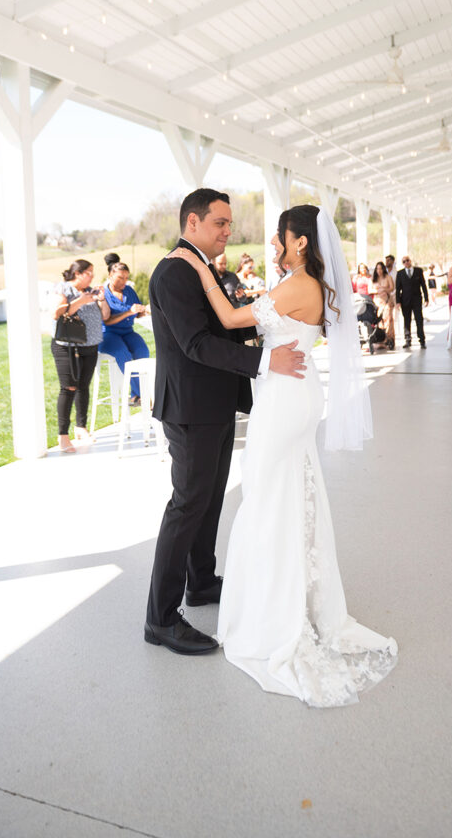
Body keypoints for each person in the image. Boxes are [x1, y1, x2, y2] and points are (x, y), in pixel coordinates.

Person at [166, 204, 397, 707]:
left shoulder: (298, 284)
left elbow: (231, 318)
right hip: (295, 390)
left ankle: (271, 611)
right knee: (287, 490)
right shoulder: (306, 283)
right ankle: (288, 591)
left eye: (279, 236)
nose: (273, 243)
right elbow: (261, 326)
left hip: (285, 397)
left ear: (300, 241)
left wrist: (202, 271)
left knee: (266, 495)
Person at [144, 189, 305, 657]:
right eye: (220, 223)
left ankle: (200, 582)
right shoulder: (175, 270)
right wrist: (264, 362)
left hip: (212, 404)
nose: (228, 231)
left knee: (210, 499)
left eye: (230, 223)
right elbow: (196, 343)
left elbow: (223, 325)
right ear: (192, 222)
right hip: (190, 409)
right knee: (187, 505)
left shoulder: (200, 266)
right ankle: (160, 618)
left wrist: (271, 320)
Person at [51, 259, 110, 452]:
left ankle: (81, 427)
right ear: (78, 273)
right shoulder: (63, 289)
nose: (92, 277)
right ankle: (63, 436)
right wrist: (81, 301)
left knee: (83, 386)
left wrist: (101, 299)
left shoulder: (91, 291)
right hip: (67, 347)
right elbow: (56, 313)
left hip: (90, 345)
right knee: (68, 388)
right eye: (88, 273)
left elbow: (105, 316)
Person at [99, 254, 150, 406]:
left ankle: (136, 395)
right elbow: (107, 320)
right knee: (123, 353)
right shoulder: (104, 294)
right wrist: (129, 312)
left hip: (127, 332)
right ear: (110, 275)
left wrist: (143, 310)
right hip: (107, 334)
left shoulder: (129, 290)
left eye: (126, 278)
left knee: (142, 350)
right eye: (120, 278)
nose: (124, 281)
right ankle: (143, 395)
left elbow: (137, 313)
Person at [395, 256, 429, 349]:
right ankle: (407, 340)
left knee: (419, 320)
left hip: (417, 300)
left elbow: (423, 285)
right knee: (407, 320)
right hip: (405, 301)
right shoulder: (400, 273)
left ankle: (422, 340)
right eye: (404, 261)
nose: (406, 262)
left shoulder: (418, 271)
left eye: (407, 260)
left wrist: (426, 298)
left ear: (410, 261)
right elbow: (398, 289)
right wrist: (398, 301)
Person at [370, 260, 395, 348]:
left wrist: (384, 289)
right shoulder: (373, 279)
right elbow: (370, 289)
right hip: (377, 302)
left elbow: (392, 288)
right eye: (377, 269)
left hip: (386, 301)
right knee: (379, 320)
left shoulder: (388, 277)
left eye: (380, 269)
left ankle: (389, 338)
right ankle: (381, 339)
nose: (379, 271)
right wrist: (378, 290)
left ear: (383, 269)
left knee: (388, 319)